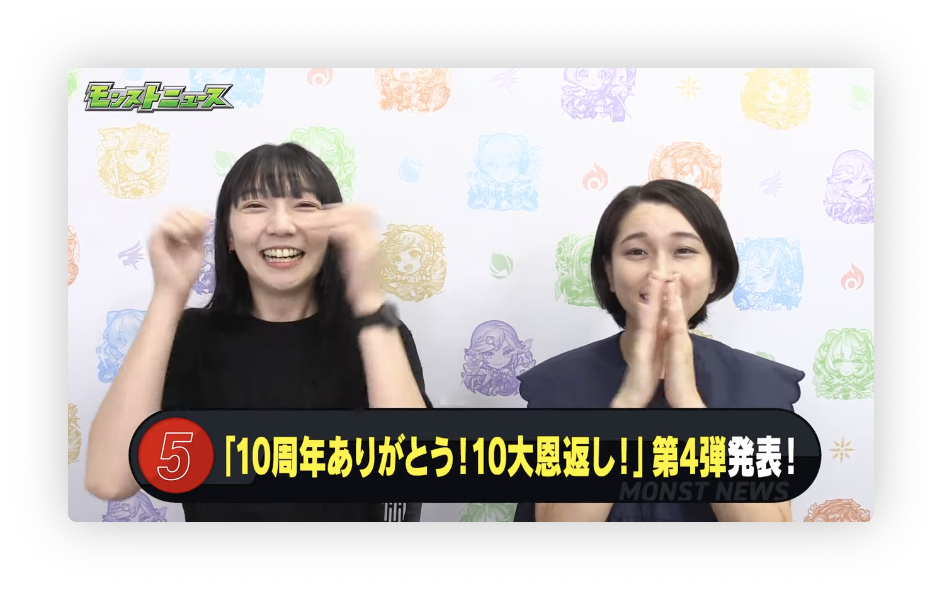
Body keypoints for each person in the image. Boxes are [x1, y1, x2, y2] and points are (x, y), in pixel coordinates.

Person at [85, 143, 432, 522]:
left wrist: (367, 295)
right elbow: (109, 479)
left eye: (304, 206)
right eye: (255, 205)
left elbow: (414, 474)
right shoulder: (193, 338)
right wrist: (169, 291)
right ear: (229, 237)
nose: (281, 225)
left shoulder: (377, 336)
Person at [514, 179, 803, 523]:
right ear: (609, 272)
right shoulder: (559, 384)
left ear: (714, 274)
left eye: (684, 250)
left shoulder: (760, 386)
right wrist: (629, 400)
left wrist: (688, 404)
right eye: (637, 252)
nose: (661, 273)